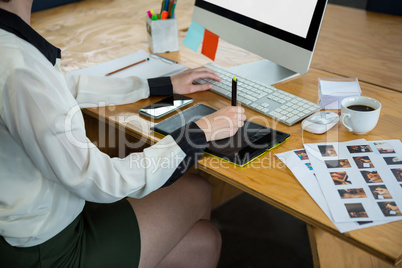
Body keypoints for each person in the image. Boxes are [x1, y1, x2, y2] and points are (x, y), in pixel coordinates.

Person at [0, 1, 247, 267]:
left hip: (34, 218)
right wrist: (197, 132)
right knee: (197, 192)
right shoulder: (18, 65)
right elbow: (100, 181)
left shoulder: (12, 48)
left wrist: (160, 84)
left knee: (205, 241)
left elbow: (58, 88)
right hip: (45, 250)